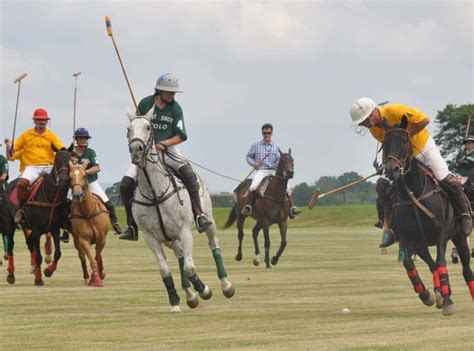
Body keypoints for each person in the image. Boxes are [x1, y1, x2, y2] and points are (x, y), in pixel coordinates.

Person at [350, 97, 472, 248]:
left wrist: (405, 134)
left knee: (445, 178)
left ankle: (465, 214)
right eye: (361, 123)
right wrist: (384, 165)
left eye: (365, 120)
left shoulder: (394, 111)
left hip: (423, 147)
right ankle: (392, 226)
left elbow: (424, 120)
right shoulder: (373, 129)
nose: (364, 124)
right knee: (381, 185)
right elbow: (388, 147)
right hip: (403, 158)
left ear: (374, 111)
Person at [119, 73, 212, 241]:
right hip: (144, 153)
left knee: (189, 175)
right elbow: (135, 126)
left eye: (174, 93)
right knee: (126, 184)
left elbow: (182, 135)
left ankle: (199, 215)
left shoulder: (175, 108)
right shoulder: (145, 103)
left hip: (168, 151)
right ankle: (132, 226)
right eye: (169, 92)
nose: (172, 95)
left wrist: (165, 143)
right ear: (159, 90)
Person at [60, 128, 123, 243]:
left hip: (91, 183)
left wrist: (84, 172)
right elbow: (64, 168)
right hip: (75, 184)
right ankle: (65, 230)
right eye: (80, 138)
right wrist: (71, 163)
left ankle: (115, 223)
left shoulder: (91, 152)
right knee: (66, 205)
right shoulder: (71, 154)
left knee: (108, 204)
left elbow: (97, 168)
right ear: (76, 140)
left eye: (85, 138)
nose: (83, 140)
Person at [6, 108, 65, 224]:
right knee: (22, 184)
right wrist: (9, 146)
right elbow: (14, 148)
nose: (42, 122)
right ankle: (21, 210)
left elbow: (61, 148)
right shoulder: (26, 135)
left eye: (44, 120)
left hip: (49, 166)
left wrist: (66, 152)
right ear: (34, 121)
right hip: (32, 167)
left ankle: (64, 212)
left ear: (47, 121)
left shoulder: (51, 135)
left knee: (64, 183)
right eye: (39, 120)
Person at [241, 123, 300, 218]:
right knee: (253, 186)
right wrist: (254, 163)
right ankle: (248, 206)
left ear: (271, 133)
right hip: (261, 171)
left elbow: (279, 158)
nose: (266, 135)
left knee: (288, 188)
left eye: (268, 133)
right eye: (264, 133)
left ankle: (291, 208)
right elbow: (248, 157)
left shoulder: (276, 146)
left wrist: (278, 164)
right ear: (262, 133)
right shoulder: (255, 145)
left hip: (273, 171)